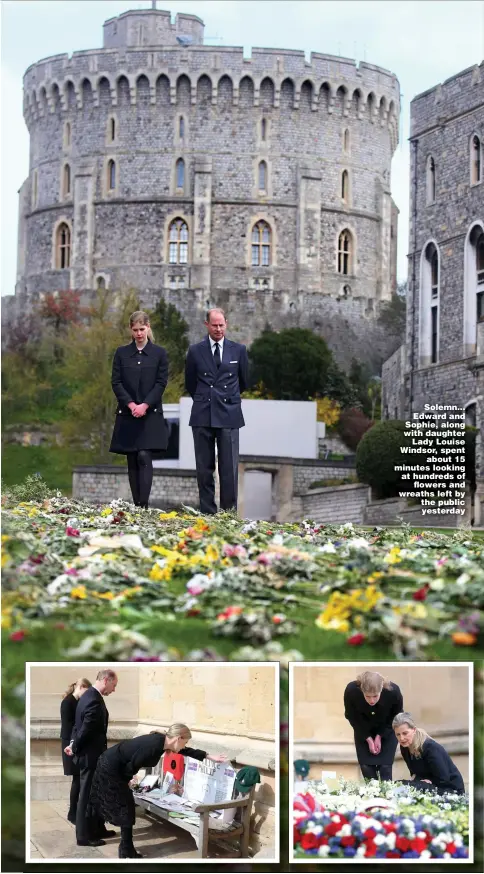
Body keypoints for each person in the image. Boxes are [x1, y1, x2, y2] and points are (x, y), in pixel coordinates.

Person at [89, 723, 227, 859]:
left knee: (115, 803)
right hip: (111, 768)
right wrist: (127, 780)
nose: (185, 745)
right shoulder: (154, 746)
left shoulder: (163, 741)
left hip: (113, 764)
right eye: (185, 742)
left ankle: (100, 833)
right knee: (125, 806)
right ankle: (125, 850)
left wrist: (209, 756)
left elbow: (185, 750)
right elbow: (131, 765)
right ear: (178, 738)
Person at [185, 308, 249, 514]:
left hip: (229, 415)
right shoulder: (195, 351)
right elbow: (190, 383)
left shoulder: (238, 350)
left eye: (222, 325)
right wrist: (206, 398)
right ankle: (207, 512)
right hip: (203, 414)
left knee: (229, 468)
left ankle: (229, 513)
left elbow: (244, 382)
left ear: (226, 324)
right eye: (215, 325)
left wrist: (226, 399)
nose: (219, 329)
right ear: (207, 325)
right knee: (204, 469)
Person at [110, 311, 169, 508]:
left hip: (150, 413)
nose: (139, 333)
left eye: (142, 329)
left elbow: (161, 383)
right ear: (130, 330)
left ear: (148, 328)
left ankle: (144, 504)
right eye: (135, 330)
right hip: (128, 413)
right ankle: (136, 505)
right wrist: (131, 404)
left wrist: (144, 405)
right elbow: (116, 382)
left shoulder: (159, 353)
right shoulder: (121, 353)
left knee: (144, 455)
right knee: (132, 458)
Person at [64, 669, 118, 847]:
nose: (114, 690)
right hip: (90, 756)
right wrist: (75, 746)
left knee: (96, 794)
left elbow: (77, 728)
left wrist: (73, 744)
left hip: (92, 755)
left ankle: (97, 828)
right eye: (114, 685)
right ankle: (83, 836)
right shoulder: (93, 698)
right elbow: (85, 728)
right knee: (86, 796)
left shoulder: (88, 697)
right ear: (105, 680)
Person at [344, 670, 404, 781]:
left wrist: (380, 736)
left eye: (375, 696)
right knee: (366, 767)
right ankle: (372, 795)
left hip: (388, 728)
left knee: (385, 767)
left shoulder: (393, 691)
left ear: (382, 689)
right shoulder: (351, 691)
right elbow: (351, 716)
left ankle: (387, 796)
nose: (372, 700)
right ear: (361, 690)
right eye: (367, 696)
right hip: (362, 729)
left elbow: (397, 715)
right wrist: (368, 738)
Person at [392, 712, 465, 795]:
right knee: (396, 784)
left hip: (450, 790)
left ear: (414, 730)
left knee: (411, 787)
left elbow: (443, 779)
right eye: (398, 734)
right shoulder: (404, 748)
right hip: (428, 785)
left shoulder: (430, 747)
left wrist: (425, 782)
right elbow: (415, 774)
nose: (401, 738)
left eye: (405, 733)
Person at [60, 677, 92, 825]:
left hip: (75, 743)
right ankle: (72, 812)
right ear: (82, 686)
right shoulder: (67, 702)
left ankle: (74, 811)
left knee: (78, 779)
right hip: (69, 744)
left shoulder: (77, 702)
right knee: (77, 779)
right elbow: (71, 725)